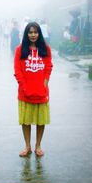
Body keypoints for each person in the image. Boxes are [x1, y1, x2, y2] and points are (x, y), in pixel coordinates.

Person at [14, 22, 53, 157]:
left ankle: (38, 146)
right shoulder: (20, 49)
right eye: (30, 32)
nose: (33, 35)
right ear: (26, 34)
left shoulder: (46, 49)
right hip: (25, 91)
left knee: (40, 120)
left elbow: (48, 67)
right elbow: (17, 70)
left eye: (35, 32)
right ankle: (27, 146)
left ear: (39, 33)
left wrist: (45, 83)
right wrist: (23, 86)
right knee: (26, 120)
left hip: (41, 91)